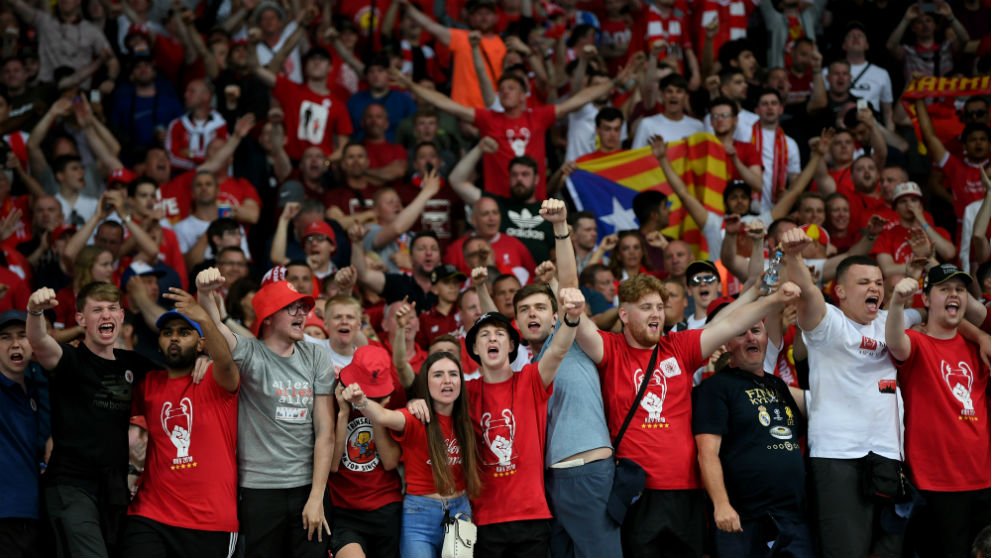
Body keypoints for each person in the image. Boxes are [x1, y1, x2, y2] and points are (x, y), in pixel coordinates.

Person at [572, 271, 800, 557]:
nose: (655, 314)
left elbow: (730, 324)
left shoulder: (679, 347)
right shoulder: (611, 349)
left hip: (688, 490)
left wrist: (775, 299)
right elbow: (576, 320)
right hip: (638, 493)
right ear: (625, 314)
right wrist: (562, 287)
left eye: (659, 307)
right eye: (646, 308)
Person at [779, 227, 922, 558]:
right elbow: (808, 292)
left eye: (878, 282)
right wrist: (794, 256)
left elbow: (926, 313)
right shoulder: (828, 324)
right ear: (839, 291)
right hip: (838, 457)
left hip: (888, 456)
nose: (874, 287)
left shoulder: (890, 320)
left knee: (888, 551)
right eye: (864, 283)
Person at [194, 268, 334, 558]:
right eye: (291, 308)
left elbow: (325, 433)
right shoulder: (250, 353)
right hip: (259, 491)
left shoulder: (316, 355)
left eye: (303, 307)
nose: (301, 313)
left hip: (308, 487)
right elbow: (216, 326)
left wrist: (317, 497)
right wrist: (205, 293)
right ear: (268, 316)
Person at [26, 282, 158, 557]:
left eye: (112, 308)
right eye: (97, 309)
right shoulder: (70, 358)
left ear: (122, 316)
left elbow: (177, 371)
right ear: (81, 319)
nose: (106, 315)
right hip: (71, 484)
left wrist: (203, 356)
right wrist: (35, 312)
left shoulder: (132, 363)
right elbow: (39, 342)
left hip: (114, 489)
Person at [459, 283, 586, 557]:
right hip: (485, 519)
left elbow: (558, 350)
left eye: (499, 334)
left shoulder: (531, 378)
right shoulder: (464, 393)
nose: (492, 339)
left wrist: (572, 318)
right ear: (475, 348)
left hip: (533, 516)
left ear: (512, 344)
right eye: (484, 335)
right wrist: (417, 400)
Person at [121, 289, 240, 557]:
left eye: (184, 332)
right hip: (151, 514)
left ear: (201, 343)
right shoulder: (148, 384)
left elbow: (225, 359)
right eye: (168, 333)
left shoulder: (216, 379)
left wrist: (206, 320)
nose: (174, 337)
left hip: (210, 521)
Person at [886, 267, 990, 558]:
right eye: (944, 289)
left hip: (985, 480)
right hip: (937, 483)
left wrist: (981, 336)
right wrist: (896, 303)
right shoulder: (917, 342)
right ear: (926, 299)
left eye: (959, 289)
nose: (954, 294)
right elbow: (894, 342)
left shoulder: (978, 346)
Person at [342, 351, 483, 558]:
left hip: (460, 512)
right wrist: (361, 400)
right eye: (438, 375)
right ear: (425, 382)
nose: (447, 380)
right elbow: (383, 415)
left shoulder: (467, 418)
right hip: (420, 515)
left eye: (453, 374)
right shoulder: (417, 416)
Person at [693, 317, 813, 557]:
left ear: (766, 339)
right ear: (727, 345)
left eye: (756, 331)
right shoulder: (716, 387)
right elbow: (707, 453)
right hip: (741, 519)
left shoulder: (778, 385)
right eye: (741, 333)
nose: (751, 337)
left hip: (792, 519)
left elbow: (791, 437)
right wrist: (721, 504)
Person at [0, 309, 42, 558]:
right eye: (5, 337)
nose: (15, 343)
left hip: (36, 514)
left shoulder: (39, 390)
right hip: (5, 512)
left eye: (22, 335)